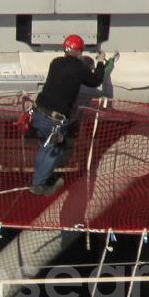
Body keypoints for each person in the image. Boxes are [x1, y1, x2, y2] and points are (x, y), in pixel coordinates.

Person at [28, 34, 106, 196]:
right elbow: (96, 81)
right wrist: (101, 62)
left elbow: (66, 74)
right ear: (79, 51)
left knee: (48, 147)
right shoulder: (80, 70)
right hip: (54, 120)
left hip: (39, 114)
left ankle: (43, 176)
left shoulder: (55, 63)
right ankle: (39, 184)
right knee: (53, 150)